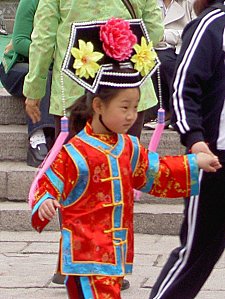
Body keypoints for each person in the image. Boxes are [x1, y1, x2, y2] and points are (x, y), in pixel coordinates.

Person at [29, 18, 221, 299]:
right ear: (98, 106)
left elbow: (156, 172)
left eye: (134, 106)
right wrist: (44, 203)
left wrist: (195, 165)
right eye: (124, 107)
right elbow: (46, 185)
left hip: (113, 254)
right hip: (84, 259)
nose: (132, 115)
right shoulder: (75, 151)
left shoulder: (127, 147)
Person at [23, 0, 164, 288]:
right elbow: (156, 30)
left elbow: (45, 33)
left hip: (78, 89)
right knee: (116, 177)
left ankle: (71, 261)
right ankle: (113, 263)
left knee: (74, 178)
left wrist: (34, 88)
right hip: (127, 90)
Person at [149, 1, 225, 298]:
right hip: (214, 157)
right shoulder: (213, 25)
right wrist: (195, 139)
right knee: (197, 251)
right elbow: (183, 87)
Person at [0, 0, 55, 167]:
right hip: (18, 66)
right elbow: (19, 42)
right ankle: (37, 138)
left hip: (53, 65)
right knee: (43, 73)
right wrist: (50, 54)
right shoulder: (30, 2)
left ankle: (55, 137)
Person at [144, 0, 196, 129]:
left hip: (182, 48)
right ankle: (160, 112)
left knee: (167, 62)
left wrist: (165, 35)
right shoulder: (150, 3)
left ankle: (177, 113)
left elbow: (194, 30)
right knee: (150, 61)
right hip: (153, 47)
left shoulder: (191, 2)